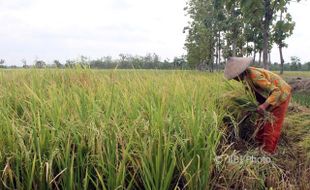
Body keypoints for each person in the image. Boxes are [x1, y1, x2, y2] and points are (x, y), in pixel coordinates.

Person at [224, 57, 292, 154]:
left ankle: (267, 153)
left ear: (239, 73)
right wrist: (251, 108)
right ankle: (259, 148)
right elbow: (255, 95)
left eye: (234, 77)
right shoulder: (245, 78)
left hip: (281, 95)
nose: (234, 79)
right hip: (269, 98)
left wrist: (264, 106)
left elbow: (276, 91)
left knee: (271, 126)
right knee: (260, 123)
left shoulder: (255, 76)